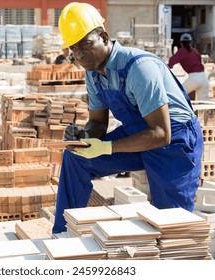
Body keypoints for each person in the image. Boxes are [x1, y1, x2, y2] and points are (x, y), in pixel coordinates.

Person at [52, 2, 204, 234]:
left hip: (174, 141)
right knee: (76, 158)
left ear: (104, 36)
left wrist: (107, 147)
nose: (80, 54)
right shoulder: (93, 74)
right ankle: (63, 235)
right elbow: (98, 122)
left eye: (85, 44)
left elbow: (161, 134)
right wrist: (84, 137)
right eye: (74, 49)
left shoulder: (139, 67)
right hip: (139, 133)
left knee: (170, 226)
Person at [168, 33, 210, 100]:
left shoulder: (182, 51)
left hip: (194, 78)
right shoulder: (194, 51)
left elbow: (171, 62)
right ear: (191, 42)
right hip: (204, 78)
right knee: (203, 103)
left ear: (181, 43)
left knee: (178, 95)